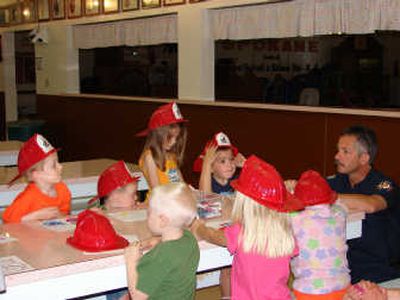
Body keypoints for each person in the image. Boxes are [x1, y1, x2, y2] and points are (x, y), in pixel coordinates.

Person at [191, 155, 298, 300]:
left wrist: (200, 229)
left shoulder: (242, 232)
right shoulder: (286, 232)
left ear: (244, 202)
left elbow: (215, 237)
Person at [327, 125, 400, 283]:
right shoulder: (336, 181)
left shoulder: (384, 184)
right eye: (338, 150)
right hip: (343, 271)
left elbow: (371, 205)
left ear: (364, 158)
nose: (337, 156)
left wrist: (328, 197)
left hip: (382, 274)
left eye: (345, 152)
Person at [123, 182, 199, 300]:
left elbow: (138, 296)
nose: (146, 216)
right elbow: (173, 247)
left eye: (149, 213)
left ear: (163, 221)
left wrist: (131, 261)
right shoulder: (189, 239)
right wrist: (157, 240)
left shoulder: (160, 256)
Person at [193, 131, 245, 299]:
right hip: (214, 234)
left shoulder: (237, 182)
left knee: (233, 268)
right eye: (222, 161)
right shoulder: (209, 182)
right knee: (227, 268)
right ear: (211, 166)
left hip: (234, 233)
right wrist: (206, 164)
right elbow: (206, 202)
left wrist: (245, 165)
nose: (230, 165)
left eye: (231, 159)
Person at [289, 170, 350, 299]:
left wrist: (290, 192)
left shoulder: (294, 219)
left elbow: (281, 211)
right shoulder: (339, 215)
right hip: (343, 287)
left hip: (308, 291)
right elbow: (341, 205)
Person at [3, 134, 71, 223]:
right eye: (53, 165)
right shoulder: (28, 197)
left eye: (58, 162)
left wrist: (58, 215)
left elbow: (65, 217)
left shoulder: (62, 190)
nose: (60, 167)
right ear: (36, 174)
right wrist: (34, 217)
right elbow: (7, 220)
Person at [137, 102, 187, 201]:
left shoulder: (171, 156)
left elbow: (181, 183)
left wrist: (189, 193)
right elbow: (157, 191)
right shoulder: (150, 157)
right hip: (159, 205)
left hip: (174, 202)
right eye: (170, 137)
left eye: (176, 138)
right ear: (158, 135)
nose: (174, 142)